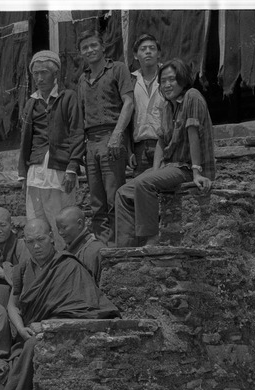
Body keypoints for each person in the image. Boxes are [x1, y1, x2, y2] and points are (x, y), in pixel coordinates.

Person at [3, 219, 121, 390]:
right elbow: (12, 305)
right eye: (30, 242)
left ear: (51, 237)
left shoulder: (68, 266)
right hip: (27, 333)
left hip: (57, 332)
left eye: (40, 239)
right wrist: (20, 328)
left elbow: (86, 310)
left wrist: (46, 325)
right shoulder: (23, 269)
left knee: (32, 347)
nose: (36, 246)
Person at [115, 59, 215, 247]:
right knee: (124, 192)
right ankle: (125, 246)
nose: (168, 85)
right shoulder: (166, 105)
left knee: (144, 183)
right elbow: (161, 140)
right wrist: (155, 169)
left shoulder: (192, 96)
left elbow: (193, 134)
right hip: (169, 166)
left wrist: (196, 172)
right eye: (164, 81)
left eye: (172, 80)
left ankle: (151, 237)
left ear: (183, 80)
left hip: (186, 167)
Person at [72, 29, 135, 246]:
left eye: (93, 45)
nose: (90, 50)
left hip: (112, 136)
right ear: (81, 53)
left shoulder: (117, 69)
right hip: (91, 142)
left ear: (102, 47)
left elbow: (129, 102)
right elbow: (81, 115)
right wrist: (80, 149)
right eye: (85, 48)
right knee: (96, 201)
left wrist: (117, 135)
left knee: (114, 196)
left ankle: (122, 246)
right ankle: (103, 247)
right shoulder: (82, 79)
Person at [18, 50, 80, 250]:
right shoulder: (31, 103)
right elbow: (25, 140)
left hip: (59, 169)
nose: (39, 78)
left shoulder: (68, 97)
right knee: (36, 220)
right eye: (35, 73)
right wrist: (22, 174)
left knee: (61, 220)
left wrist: (72, 167)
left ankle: (66, 261)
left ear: (56, 74)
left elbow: (77, 132)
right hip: (36, 170)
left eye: (44, 72)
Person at [130, 33, 165, 176]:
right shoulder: (131, 80)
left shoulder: (168, 76)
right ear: (135, 55)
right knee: (141, 192)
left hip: (164, 144)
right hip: (140, 148)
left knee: (165, 191)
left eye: (152, 48)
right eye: (143, 49)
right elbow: (127, 117)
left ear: (159, 54)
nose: (148, 51)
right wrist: (129, 150)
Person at [54, 205, 106, 284]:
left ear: (80, 224)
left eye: (64, 227)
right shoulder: (65, 252)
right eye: (58, 228)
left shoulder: (95, 251)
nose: (60, 233)